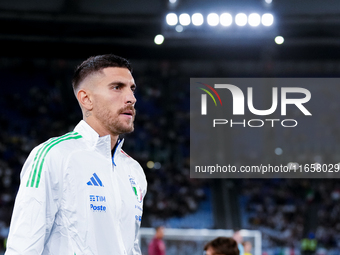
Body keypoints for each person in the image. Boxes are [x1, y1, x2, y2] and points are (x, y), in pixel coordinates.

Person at [5, 54, 147, 255]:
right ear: (86, 99)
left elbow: (130, 247)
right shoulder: (53, 155)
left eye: (132, 89)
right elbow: (23, 249)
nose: (131, 98)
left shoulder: (134, 170)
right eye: (117, 87)